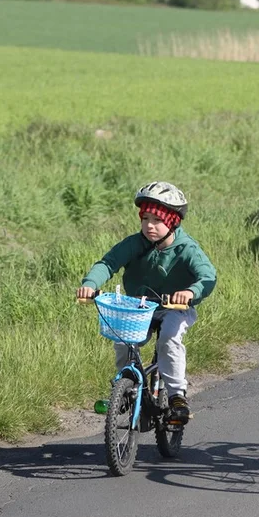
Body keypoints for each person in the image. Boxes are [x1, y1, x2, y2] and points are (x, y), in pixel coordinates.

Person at [77, 182, 217, 425]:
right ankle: (126, 387)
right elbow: (108, 263)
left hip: (173, 308)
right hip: (139, 306)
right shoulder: (135, 243)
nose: (150, 225)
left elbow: (208, 276)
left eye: (157, 220)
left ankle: (176, 396)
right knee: (122, 339)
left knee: (169, 339)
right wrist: (90, 284)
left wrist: (190, 292)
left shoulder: (186, 248)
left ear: (172, 221)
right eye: (145, 219)